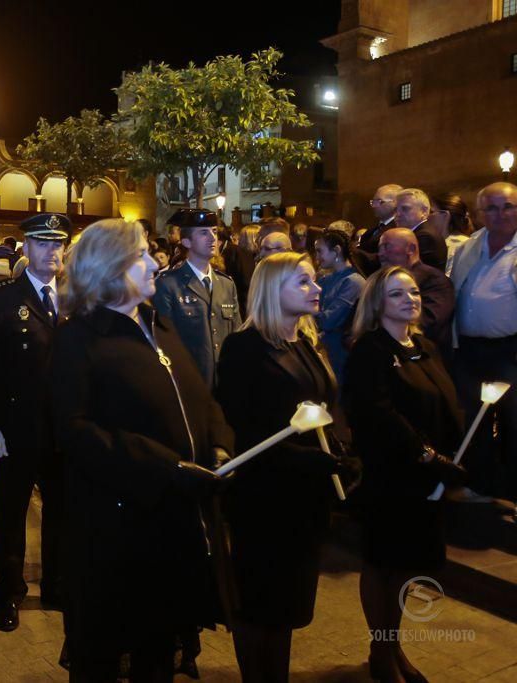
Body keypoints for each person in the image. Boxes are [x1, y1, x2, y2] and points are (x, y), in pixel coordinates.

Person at [52, 218, 235, 680]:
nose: (156, 261)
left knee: (159, 649)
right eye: (142, 255)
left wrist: (219, 445)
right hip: (117, 523)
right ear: (110, 268)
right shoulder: (79, 337)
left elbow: (200, 397)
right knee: (108, 652)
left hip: (173, 520)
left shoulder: (160, 323)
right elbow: (73, 429)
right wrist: (165, 465)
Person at [216, 252, 350, 683]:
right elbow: (244, 428)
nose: (316, 290)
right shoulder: (245, 347)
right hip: (264, 498)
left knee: (290, 606)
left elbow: (324, 410)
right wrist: (305, 459)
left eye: (315, 281)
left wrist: (341, 453)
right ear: (274, 290)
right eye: (304, 283)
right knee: (262, 606)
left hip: (304, 496)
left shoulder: (306, 342)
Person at [344, 265, 466, 683]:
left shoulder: (423, 345)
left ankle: (392, 646)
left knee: (408, 568)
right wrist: (425, 453)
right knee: (383, 563)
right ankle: (381, 653)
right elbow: (377, 413)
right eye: (397, 294)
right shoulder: (371, 350)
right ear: (378, 303)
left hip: (426, 478)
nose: (410, 300)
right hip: (392, 475)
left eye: (413, 292)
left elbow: (444, 403)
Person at [0, 213, 68, 632]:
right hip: (17, 424)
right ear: (27, 249)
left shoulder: (74, 297)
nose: (53, 251)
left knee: (62, 510)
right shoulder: (1, 300)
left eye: (58, 243)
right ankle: (10, 590)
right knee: (12, 512)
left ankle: (57, 584)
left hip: (64, 427)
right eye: (44, 243)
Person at [449, 182, 517, 506]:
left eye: (508, 206)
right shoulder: (470, 246)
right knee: (474, 419)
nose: (500, 214)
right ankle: (479, 484)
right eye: (491, 207)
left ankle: (511, 490)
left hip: (510, 348)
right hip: (471, 349)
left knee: (512, 418)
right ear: (480, 214)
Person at [152, 209, 241, 391]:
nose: (212, 238)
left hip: (225, 383)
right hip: (189, 383)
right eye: (203, 233)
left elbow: (236, 336)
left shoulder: (226, 284)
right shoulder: (168, 284)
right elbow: (164, 342)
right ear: (186, 241)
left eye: (214, 232)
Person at [378, 228, 455, 359]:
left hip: (423, 360)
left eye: (387, 247)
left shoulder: (435, 281)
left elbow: (426, 322)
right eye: (379, 248)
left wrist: (377, 334)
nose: (380, 254)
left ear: (411, 249)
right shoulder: (379, 281)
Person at [314, 229, 364, 385]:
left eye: (319, 251)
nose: (316, 257)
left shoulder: (353, 282)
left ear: (336, 250)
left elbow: (329, 320)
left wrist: (308, 311)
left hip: (338, 351)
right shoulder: (326, 279)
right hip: (323, 347)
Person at [393, 188, 448, 272]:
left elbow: (407, 270)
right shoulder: (418, 233)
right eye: (395, 209)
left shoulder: (425, 236)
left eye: (405, 209)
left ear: (424, 211)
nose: (398, 214)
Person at [354, 184, 401, 276]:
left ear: (395, 203)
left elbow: (381, 259)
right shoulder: (375, 228)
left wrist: (351, 250)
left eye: (379, 201)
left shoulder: (397, 230)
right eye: (373, 202)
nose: (374, 206)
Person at [429, 192, 472, 274]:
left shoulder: (460, 245)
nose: (426, 217)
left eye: (431, 212)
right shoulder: (440, 243)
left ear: (445, 215)